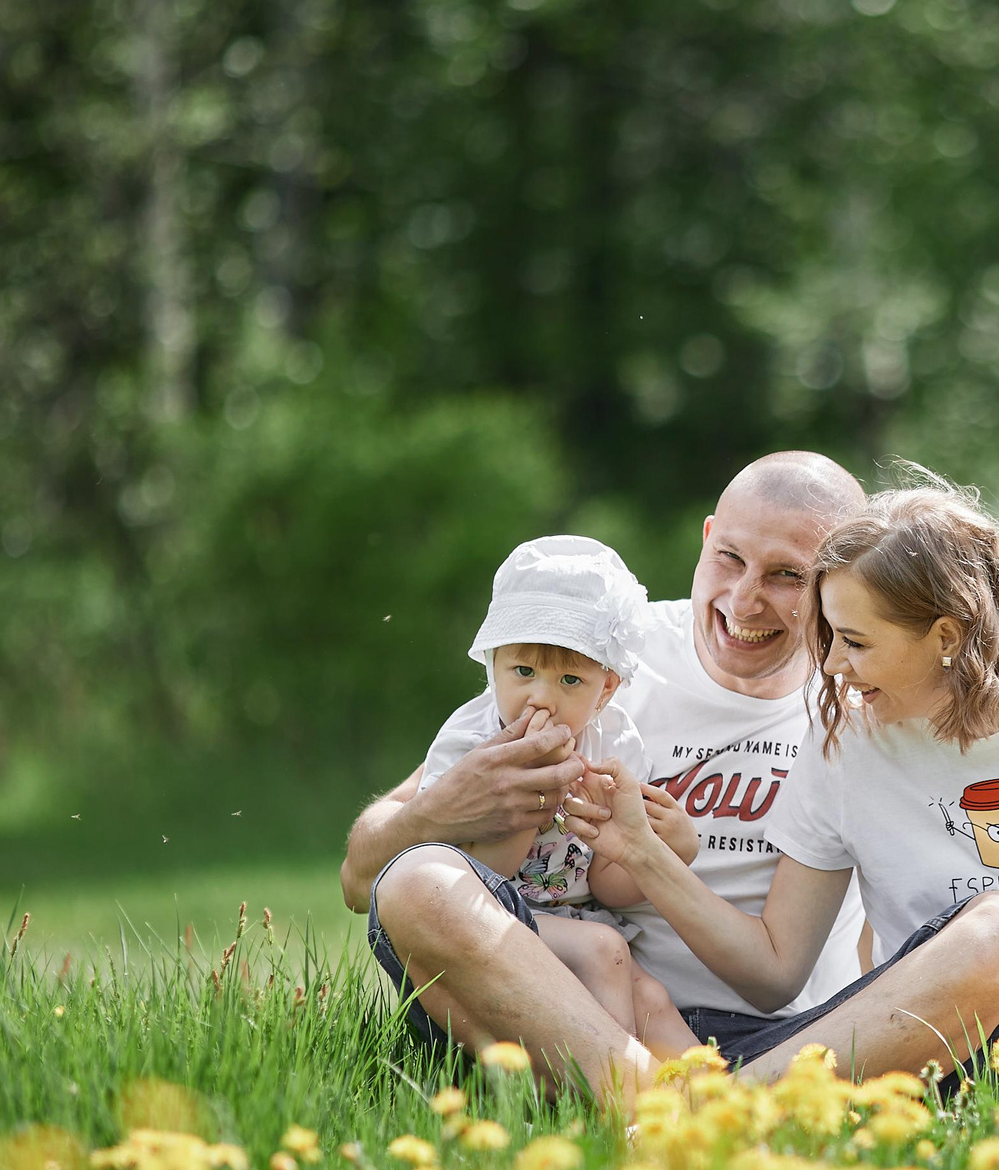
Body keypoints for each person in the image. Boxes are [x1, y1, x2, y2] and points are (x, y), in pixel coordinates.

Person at [567, 472, 999, 1081]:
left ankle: (729, 1108)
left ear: (945, 635)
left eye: (854, 640)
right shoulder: (846, 741)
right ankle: (744, 1108)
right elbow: (773, 970)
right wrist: (644, 854)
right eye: (828, 635)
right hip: (943, 1055)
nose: (832, 664)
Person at [341, 452, 876, 1101]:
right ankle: (660, 1104)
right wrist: (445, 810)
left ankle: (663, 1104)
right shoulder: (593, 650)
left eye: (787, 575)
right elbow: (363, 872)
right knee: (416, 882)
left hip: (776, 1037)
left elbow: (773, 979)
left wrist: (648, 853)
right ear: (706, 540)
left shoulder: (855, 708)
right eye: (731, 559)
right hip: (568, 1006)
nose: (744, 599)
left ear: (838, 585)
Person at [385, 534, 703, 1065]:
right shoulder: (471, 740)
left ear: (606, 689)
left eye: (570, 680)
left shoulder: (614, 739)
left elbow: (609, 884)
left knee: (651, 999)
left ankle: (728, 1102)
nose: (540, 697)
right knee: (607, 952)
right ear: (493, 663)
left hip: (577, 921)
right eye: (523, 671)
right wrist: (528, 801)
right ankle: (618, 1105)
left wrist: (666, 847)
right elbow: (476, 872)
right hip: (484, 922)